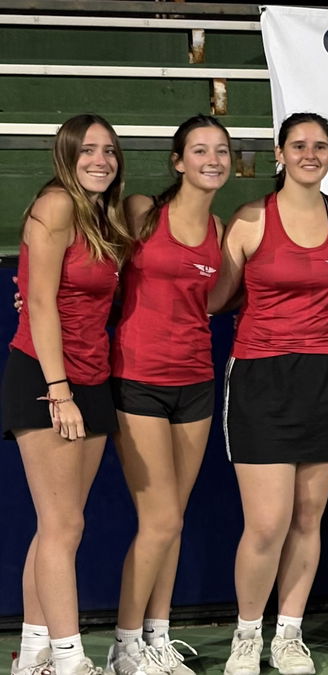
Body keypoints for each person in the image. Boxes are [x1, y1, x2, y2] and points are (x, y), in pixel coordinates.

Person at [209, 112, 328, 675]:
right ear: (279, 153)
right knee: (267, 522)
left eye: (321, 145)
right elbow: (214, 298)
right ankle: (248, 635)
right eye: (299, 145)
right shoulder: (249, 220)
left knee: (307, 517)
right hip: (261, 377)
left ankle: (289, 633)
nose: (310, 154)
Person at [100, 115, 231, 675]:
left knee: (172, 516)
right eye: (200, 150)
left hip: (195, 383)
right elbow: (90, 265)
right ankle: (124, 646)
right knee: (159, 520)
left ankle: (157, 636)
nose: (213, 159)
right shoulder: (138, 211)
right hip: (138, 381)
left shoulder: (220, 229)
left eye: (222, 151)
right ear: (178, 162)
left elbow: (217, 299)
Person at [3, 114, 131, 675]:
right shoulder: (56, 206)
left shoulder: (102, 215)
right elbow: (39, 302)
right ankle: (71, 659)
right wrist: (59, 390)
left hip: (93, 376)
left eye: (108, 151)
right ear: (67, 158)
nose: (100, 160)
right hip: (48, 378)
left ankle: (34, 654)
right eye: (88, 152)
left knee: (59, 522)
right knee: (65, 526)